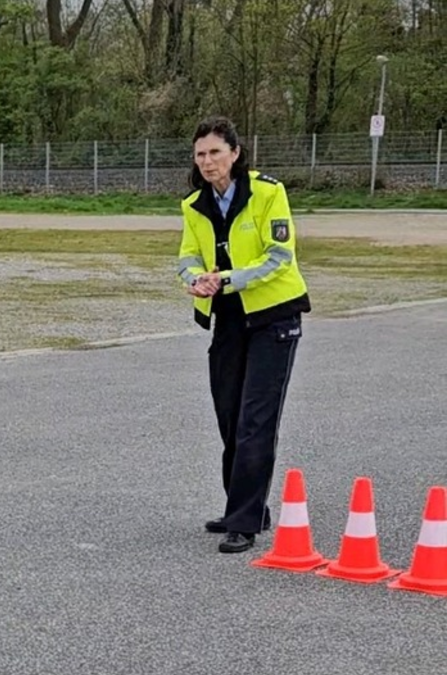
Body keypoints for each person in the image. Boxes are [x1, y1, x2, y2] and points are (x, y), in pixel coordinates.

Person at [176, 115, 311, 554]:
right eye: (201, 154)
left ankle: (244, 521)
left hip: (274, 316)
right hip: (229, 319)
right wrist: (196, 278)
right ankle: (247, 504)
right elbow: (187, 257)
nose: (208, 161)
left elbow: (279, 258)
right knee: (230, 416)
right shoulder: (193, 205)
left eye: (216, 152)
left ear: (235, 153)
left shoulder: (269, 193)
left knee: (256, 419)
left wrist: (227, 279)